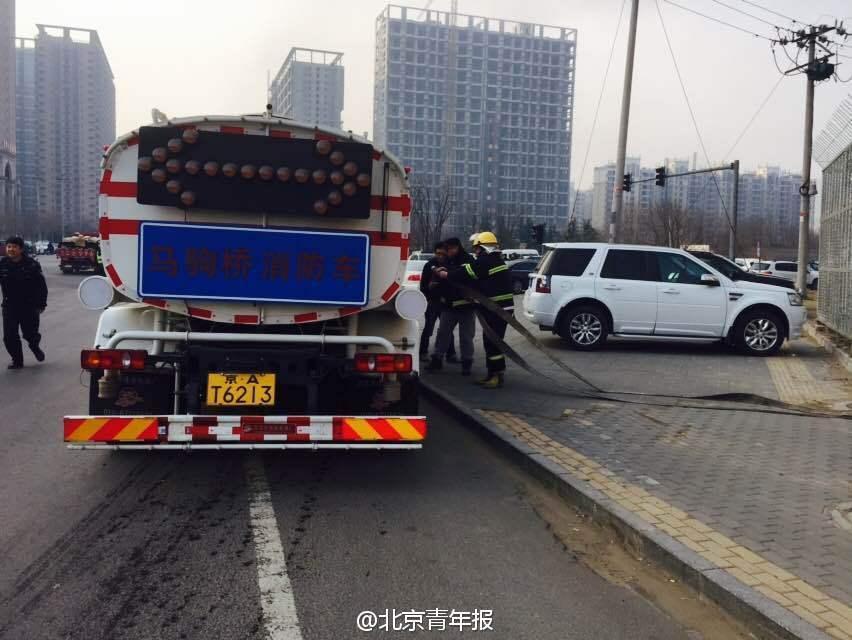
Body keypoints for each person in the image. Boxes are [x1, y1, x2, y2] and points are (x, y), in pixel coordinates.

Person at [436, 231, 513, 389]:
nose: (475, 252)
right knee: (491, 342)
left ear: (482, 247)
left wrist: (446, 274)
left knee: (493, 343)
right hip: (499, 309)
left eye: (477, 248)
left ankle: (497, 376)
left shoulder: (485, 261)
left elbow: (465, 273)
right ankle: (492, 374)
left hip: (497, 310)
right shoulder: (495, 260)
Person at [426, 237, 475, 375]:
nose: (448, 252)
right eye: (447, 250)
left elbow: (465, 275)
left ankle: (467, 363)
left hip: (466, 307)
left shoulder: (468, 260)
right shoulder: (446, 261)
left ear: (457, 247)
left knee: (466, 337)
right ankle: (437, 359)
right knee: (442, 334)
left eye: (450, 249)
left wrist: (445, 274)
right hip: (448, 305)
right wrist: (434, 284)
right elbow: (440, 279)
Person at [0, 237, 48, 369]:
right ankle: (17, 360)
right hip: (9, 306)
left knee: (30, 334)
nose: (10, 249)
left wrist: (41, 304)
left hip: (29, 306)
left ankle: (34, 346)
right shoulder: (3, 264)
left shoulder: (31, 264)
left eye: (14, 247)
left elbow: (41, 286)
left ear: (20, 249)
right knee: (9, 336)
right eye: (8, 246)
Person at [418, 242, 456, 360]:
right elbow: (422, 286)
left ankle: (451, 354)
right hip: (432, 302)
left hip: (445, 302)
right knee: (428, 327)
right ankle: (423, 352)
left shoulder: (449, 265)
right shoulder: (429, 265)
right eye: (438, 253)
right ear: (435, 253)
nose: (440, 256)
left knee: (447, 329)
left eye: (443, 254)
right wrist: (429, 287)